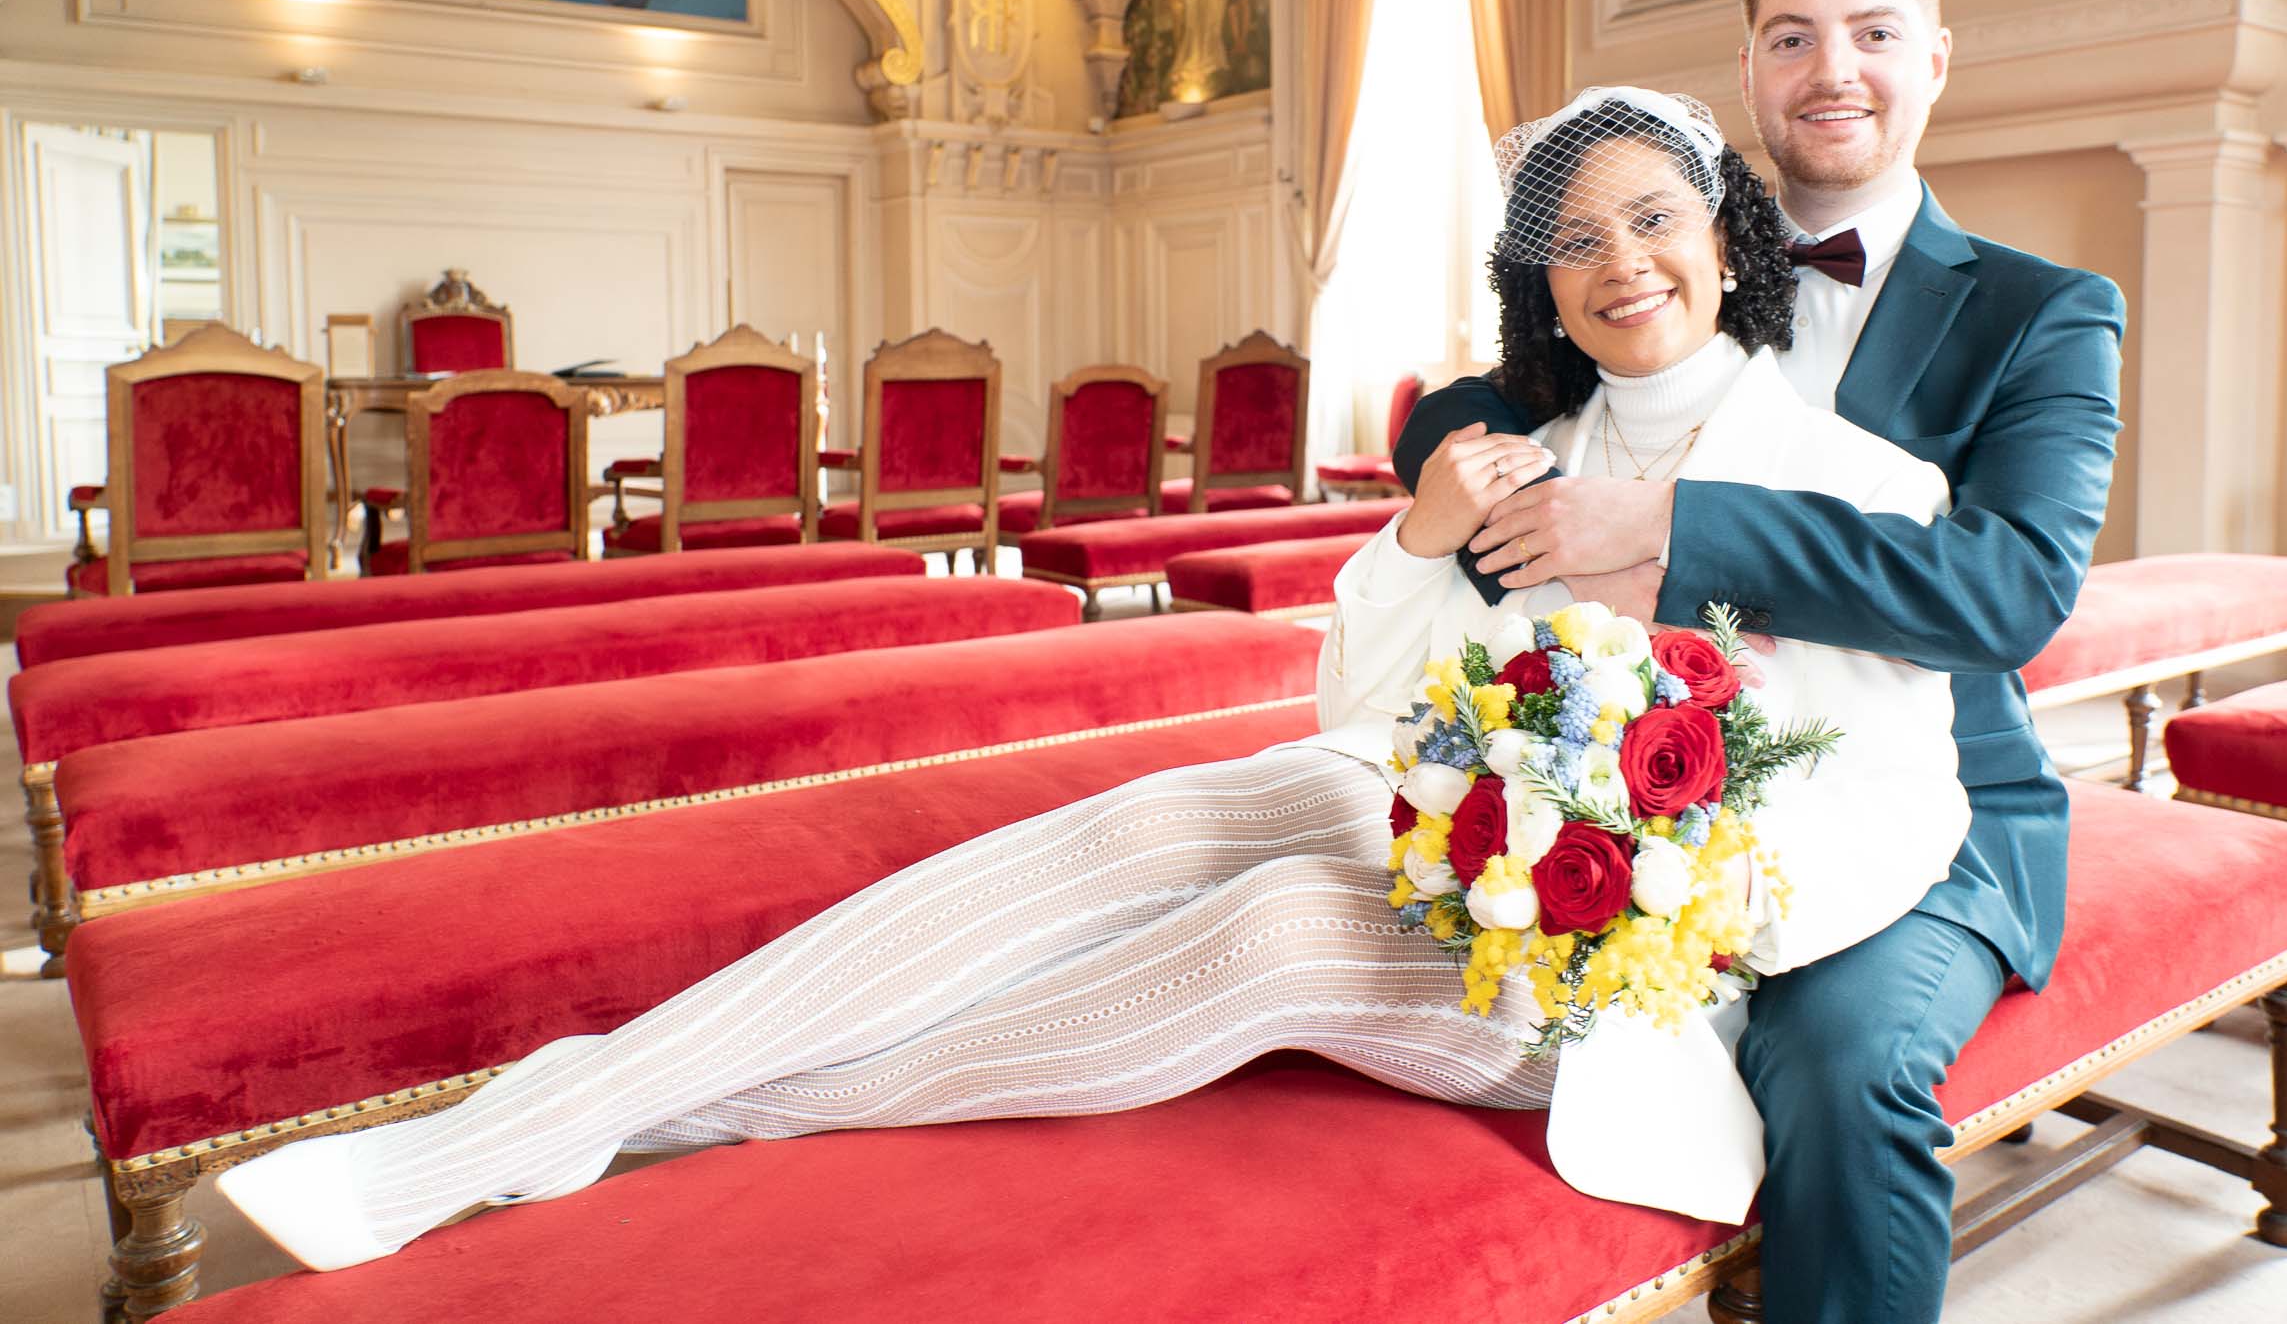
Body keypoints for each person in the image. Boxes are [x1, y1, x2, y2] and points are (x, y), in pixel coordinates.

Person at [216, 88, 1971, 1273]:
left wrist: (1665, 896)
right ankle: (559, 1104)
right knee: (1187, 806)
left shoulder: (1862, 486)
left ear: (1726, 236)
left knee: (1277, 928)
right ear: (1542, 284)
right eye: (1572, 244)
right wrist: (1422, 537)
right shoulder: (1513, 453)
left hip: (1638, 976)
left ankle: (594, 1107)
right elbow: (1367, 717)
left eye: (1650, 220)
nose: (1618, 266)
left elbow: (1902, 799)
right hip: (1459, 852)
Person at [1397, 0, 2124, 1324]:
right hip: (1650, 783)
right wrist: (1446, 468)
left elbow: (2012, 587)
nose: (1831, 71)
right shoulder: (1668, 242)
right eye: (1792, 37)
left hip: (1930, 804)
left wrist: (1676, 528)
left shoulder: (2042, 308)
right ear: (1749, 70)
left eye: (1873, 31)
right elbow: (1486, 390)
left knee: (1840, 1068)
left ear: (1935, 55)